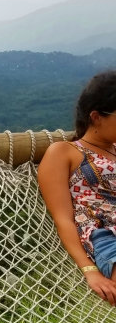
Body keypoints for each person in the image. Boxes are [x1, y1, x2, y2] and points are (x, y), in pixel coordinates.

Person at [38, 71, 116, 305]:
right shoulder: (64, 152)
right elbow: (63, 219)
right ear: (96, 116)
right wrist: (89, 269)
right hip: (105, 234)